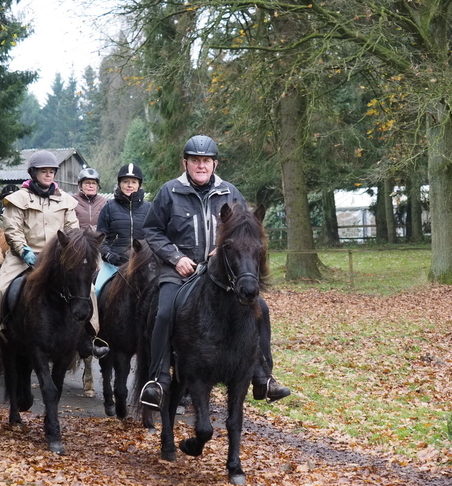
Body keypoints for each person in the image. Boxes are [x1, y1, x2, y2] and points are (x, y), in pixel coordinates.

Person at [139, 135, 291, 409]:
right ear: (185, 163)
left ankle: (263, 376)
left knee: (261, 309)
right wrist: (176, 258)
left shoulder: (230, 193)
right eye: (195, 160)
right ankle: (158, 381)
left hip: (221, 273)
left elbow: (245, 231)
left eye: (206, 161)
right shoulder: (169, 191)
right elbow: (152, 230)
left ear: (214, 164)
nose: (201, 166)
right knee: (163, 311)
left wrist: (221, 254)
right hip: (180, 270)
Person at [0, 150, 81, 358]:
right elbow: (12, 229)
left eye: (52, 171)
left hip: (56, 258)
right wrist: (23, 250)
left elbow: (73, 230)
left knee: (88, 289)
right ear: (33, 173)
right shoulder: (17, 199)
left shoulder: (66, 201)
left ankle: (91, 335)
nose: (49, 175)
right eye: (44, 171)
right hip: (24, 255)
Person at [72, 168, 108, 398]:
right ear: (80, 185)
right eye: (86, 182)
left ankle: (102, 333)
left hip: (101, 252)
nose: (90, 186)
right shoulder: (71, 202)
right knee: (88, 289)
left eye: (94, 183)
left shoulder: (106, 203)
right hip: (78, 252)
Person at [95, 164, 151, 294]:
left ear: (139, 185)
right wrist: (109, 255)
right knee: (97, 290)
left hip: (143, 263)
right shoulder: (108, 208)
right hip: (114, 264)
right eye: (125, 182)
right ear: (120, 184)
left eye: (133, 182)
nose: (129, 185)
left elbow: (155, 236)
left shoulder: (149, 208)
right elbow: (100, 239)